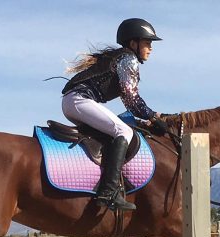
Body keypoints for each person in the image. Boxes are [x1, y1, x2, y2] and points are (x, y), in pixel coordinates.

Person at [61, 18, 163, 211]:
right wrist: (154, 117)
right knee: (124, 131)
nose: (151, 48)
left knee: (117, 128)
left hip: (74, 102)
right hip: (80, 100)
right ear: (134, 43)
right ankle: (108, 192)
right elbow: (132, 100)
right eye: (147, 42)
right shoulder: (128, 59)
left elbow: (129, 103)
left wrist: (150, 116)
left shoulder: (120, 57)